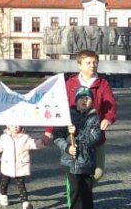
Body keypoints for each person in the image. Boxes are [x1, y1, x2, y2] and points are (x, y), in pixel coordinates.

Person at [43, 49, 117, 180]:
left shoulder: (103, 84)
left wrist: (108, 119)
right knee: (75, 171)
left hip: (94, 135)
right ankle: (76, 190)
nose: (93, 65)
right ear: (79, 65)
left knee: (97, 172)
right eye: (88, 63)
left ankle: (83, 188)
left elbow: (111, 106)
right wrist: (49, 130)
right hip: (73, 135)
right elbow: (58, 107)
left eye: (95, 62)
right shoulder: (70, 83)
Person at [52, 87, 103, 209]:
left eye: (88, 98)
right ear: (76, 100)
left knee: (87, 191)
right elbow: (57, 137)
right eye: (81, 98)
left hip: (87, 161)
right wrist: (67, 147)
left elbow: (95, 138)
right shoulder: (66, 116)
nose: (84, 101)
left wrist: (78, 133)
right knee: (75, 191)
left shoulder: (94, 118)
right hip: (71, 162)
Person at [0, 124, 40, 209]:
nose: (15, 127)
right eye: (12, 125)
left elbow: (34, 144)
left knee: (21, 184)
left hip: (20, 165)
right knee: (5, 182)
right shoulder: (4, 137)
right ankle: (3, 194)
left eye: (18, 125)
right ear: (8, 127)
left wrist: (42, 142)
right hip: (8, 165)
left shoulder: (25, 137)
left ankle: (25, 203)